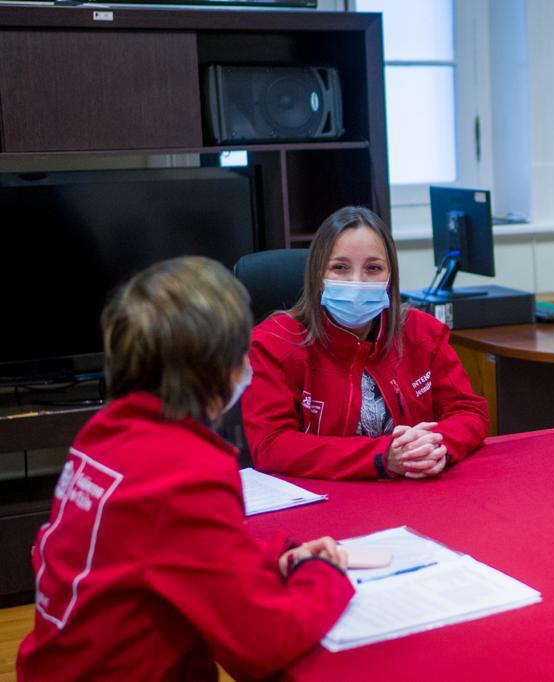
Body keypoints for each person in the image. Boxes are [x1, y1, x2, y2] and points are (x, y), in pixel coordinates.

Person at [17, 257, 353, 680]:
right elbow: (261, 643)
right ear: (216, 367)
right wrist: (323, 575)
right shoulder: (185, 470)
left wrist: (277, 557)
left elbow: (174, 552)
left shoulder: (104, 432)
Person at [243, 206, 489, 480]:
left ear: (390, 276)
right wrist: (383, 457)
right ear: (317, 276)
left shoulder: (422, 331)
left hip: (415, 491)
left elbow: (469, 412)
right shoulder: (273, 342)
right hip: (325, 500)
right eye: (340, 267)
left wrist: (434, 446)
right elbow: (271, 445)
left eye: (373, 268)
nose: (357, 282)